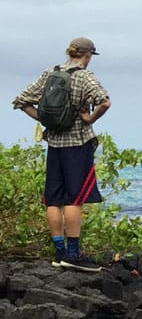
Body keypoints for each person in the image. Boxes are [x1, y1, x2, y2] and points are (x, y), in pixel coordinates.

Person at [11, 37, 111, 271]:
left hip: (54, 144)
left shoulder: (50, 74)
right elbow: (105, 103)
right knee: (75, 199)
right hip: (77, 143)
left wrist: (43, 119)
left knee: (53, 199)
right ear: (88, 56)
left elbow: (21, 100)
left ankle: (59, 253)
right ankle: (73, 255)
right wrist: (89, 118)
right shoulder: (86, 77)